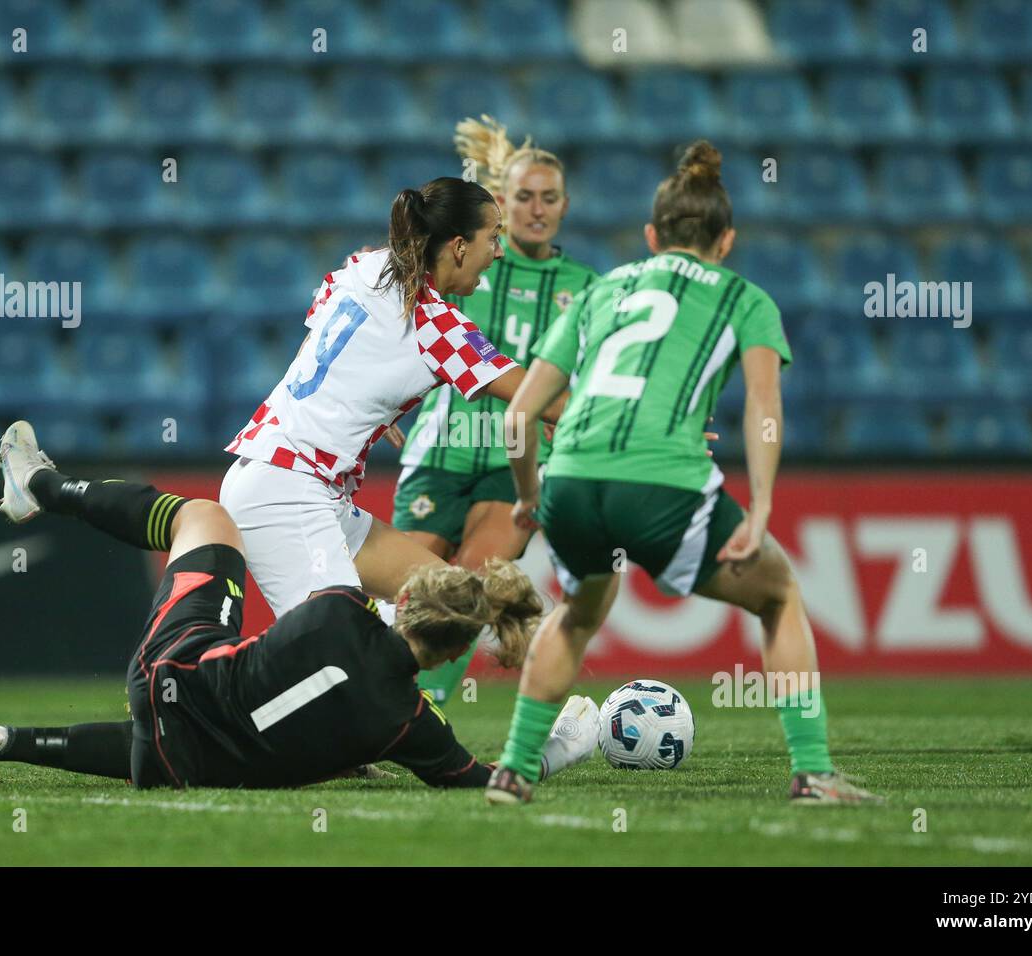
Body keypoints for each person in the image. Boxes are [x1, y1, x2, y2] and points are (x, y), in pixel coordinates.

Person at [484, 142, 883, 806]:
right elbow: (763, 408)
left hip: (573, 479)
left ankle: (514, 769)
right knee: (778, 595)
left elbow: (519, 416)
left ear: (651, 236)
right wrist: (758, 508)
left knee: (580, 612)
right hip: (664, 484)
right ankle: (812, 773)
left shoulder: (603, 288)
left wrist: (529, 497)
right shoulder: (745, 298)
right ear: (725, 240)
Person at [0, 421, 599, 790]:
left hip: (171, 674)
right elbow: (485, 778)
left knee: (207, 519)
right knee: (218, 742)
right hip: (188, 763)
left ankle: (43, 486)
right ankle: (8, 741)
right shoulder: (409, 727)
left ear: (409, 597)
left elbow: (322, 639)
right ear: (456, 654)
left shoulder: (340, 604)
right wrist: (561, 743)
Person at [217, 177, 566, 675]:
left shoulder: (364, 267)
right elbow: (542, 398)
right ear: (460, 245)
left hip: (307, 485)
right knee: (332, 664)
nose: (500, 252)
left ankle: (353, 733)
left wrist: (369, 399)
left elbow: (323, 319)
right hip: (285, 492)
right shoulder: (438, 326)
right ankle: (213, 706)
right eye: (493, 236)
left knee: (452, 600)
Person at [392, 116, 599, 705]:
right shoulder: (470, 258)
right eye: (524, 197)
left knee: (473, 585)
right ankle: (363, 692)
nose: (538, 209)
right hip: (440, 449)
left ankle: (420, 709)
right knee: (405, 588)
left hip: (520, 462)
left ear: (565, 205)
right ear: (500, 204)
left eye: (550, 198)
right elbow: (385, 282)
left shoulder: (588, 287)